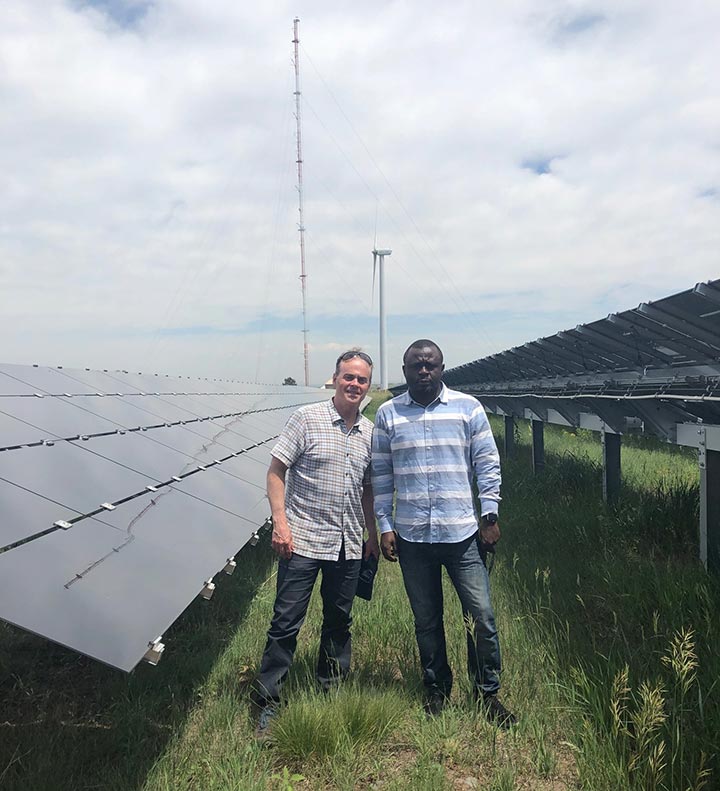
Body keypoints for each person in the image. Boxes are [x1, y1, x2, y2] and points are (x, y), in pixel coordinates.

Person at [372, 339, 516, 727]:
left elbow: (487, 462)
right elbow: (382, 475)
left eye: (430, 365)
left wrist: (490, 514)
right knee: (427, 620)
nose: (423, 371)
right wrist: (384, 525)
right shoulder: (388, 414)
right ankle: (436, 689)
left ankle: (487, 694)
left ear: (441, 368)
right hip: (413, 538)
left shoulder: (468, 408)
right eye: (416, 366)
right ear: (404, 371)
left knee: (481, 616)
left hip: (462, 535)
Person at [252, 350, 379, 731]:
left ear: (367, 385)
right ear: (335, 378)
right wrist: (280, 522)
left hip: (347, 544)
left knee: (339, 621)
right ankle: (266, 700)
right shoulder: (307, 419)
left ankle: (331, 688)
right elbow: (276, 472)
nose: (354, 384)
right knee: (286, 622)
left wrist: (371, 532)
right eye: (348, 377)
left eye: (361, 379)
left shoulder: (369, 432)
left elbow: (368, 488)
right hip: (303, 540)